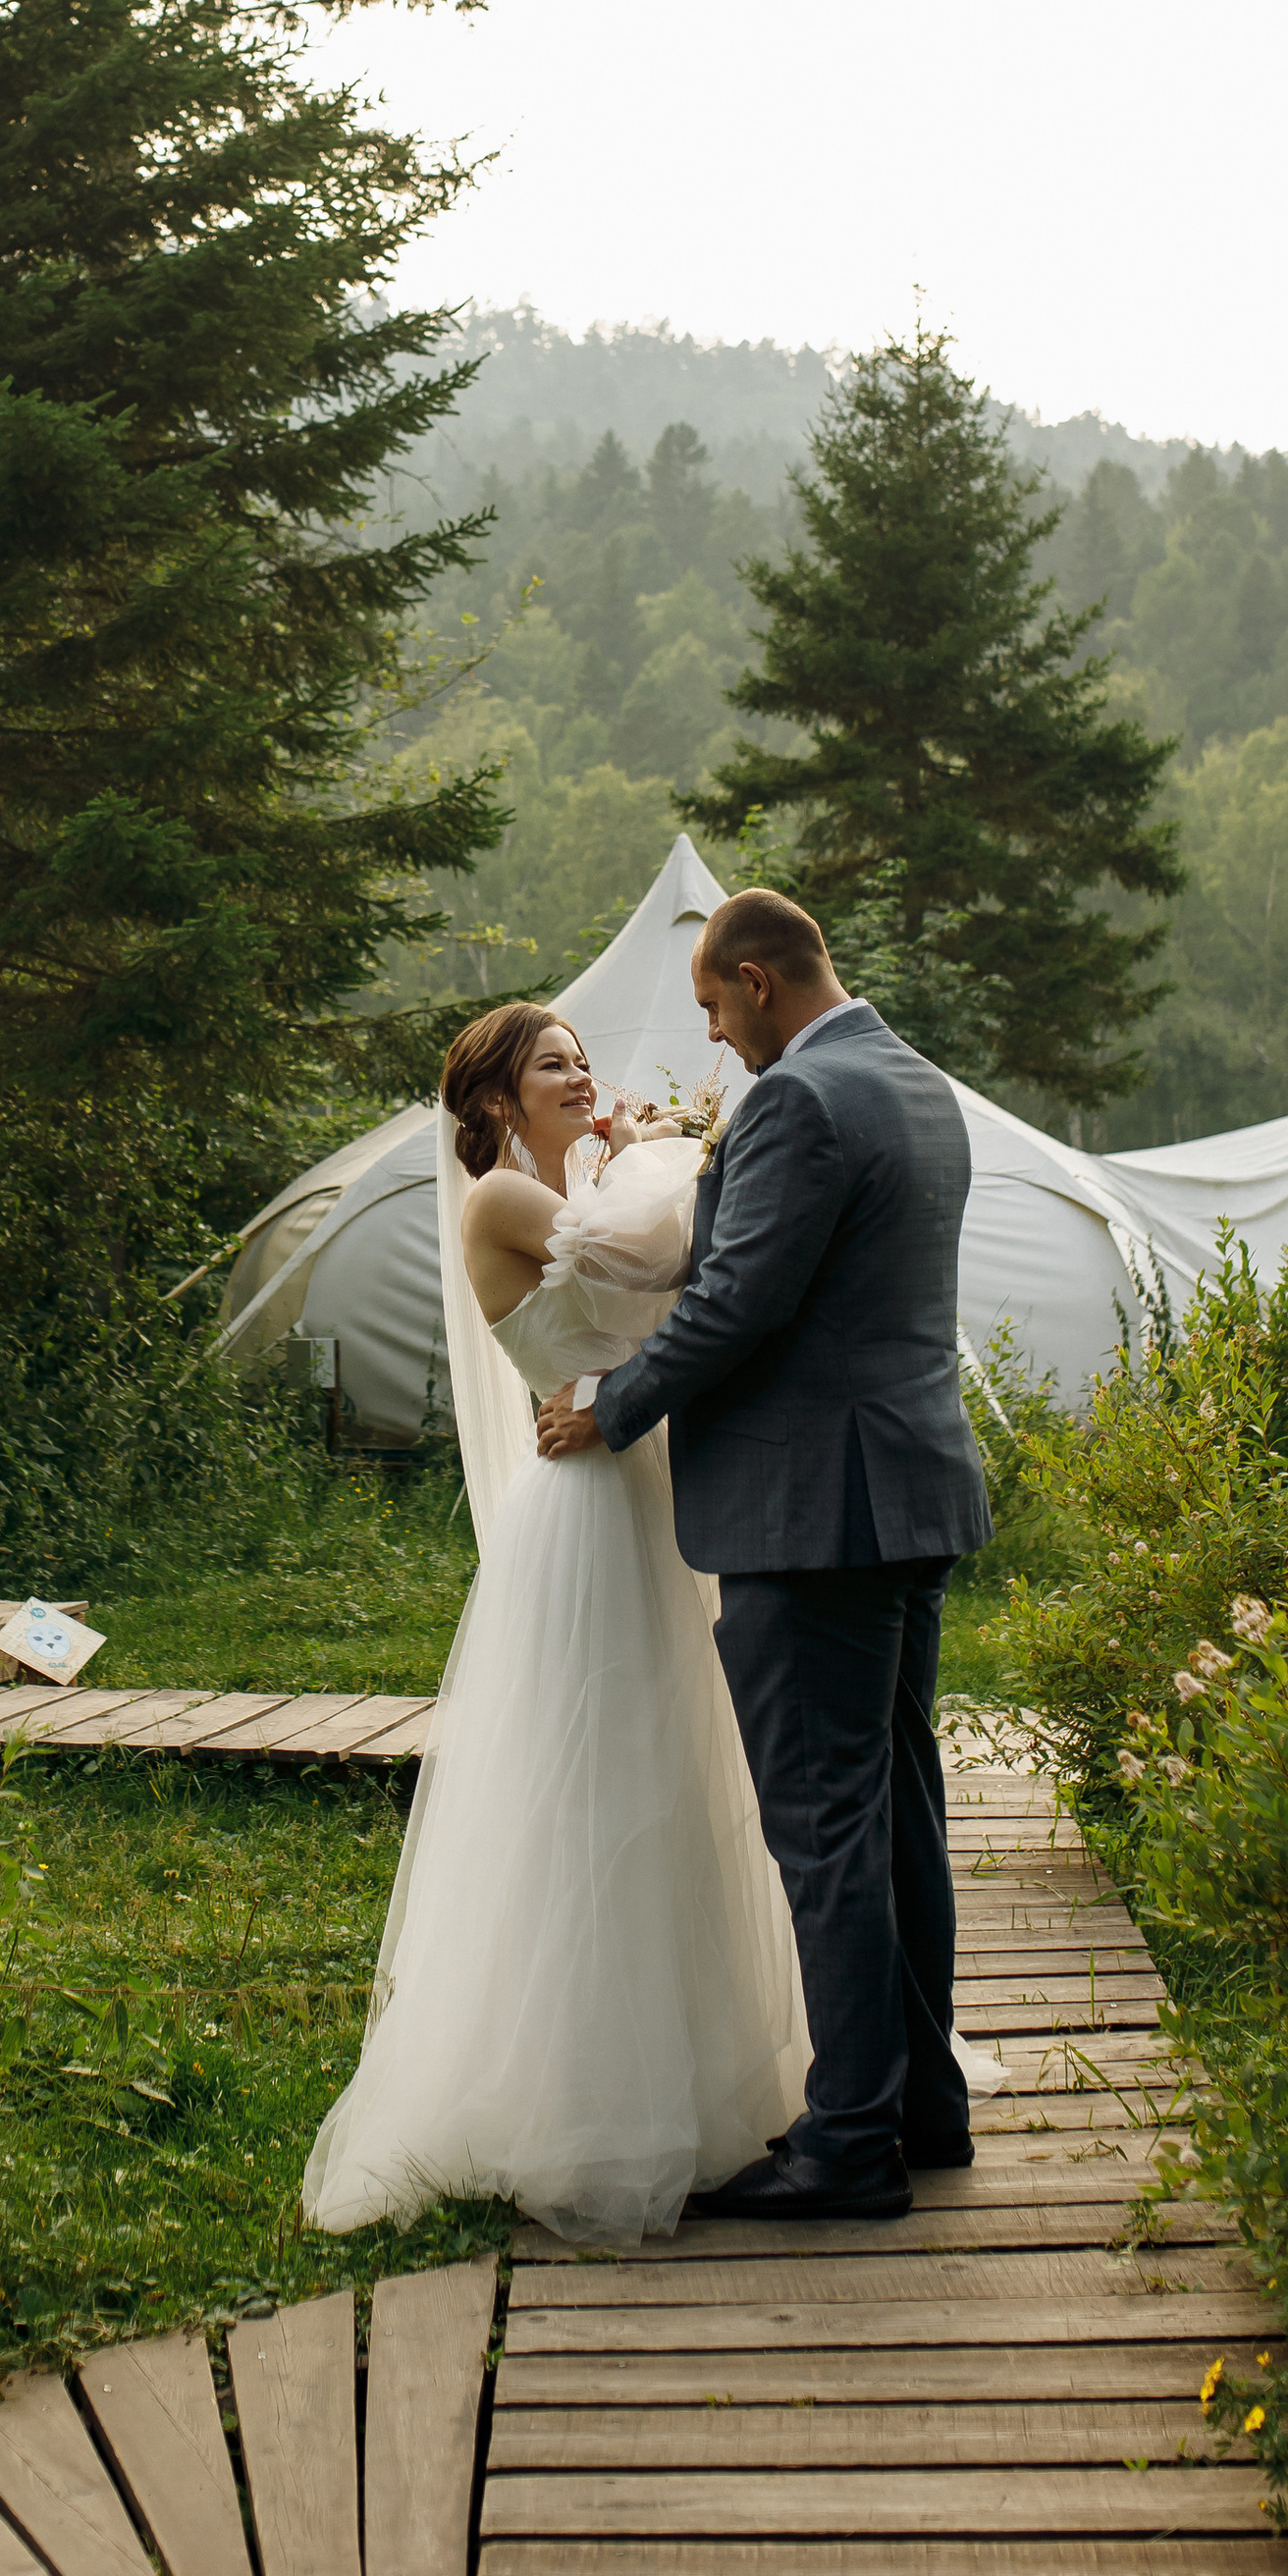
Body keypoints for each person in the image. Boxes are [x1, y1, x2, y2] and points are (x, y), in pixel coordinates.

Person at [301, 1002, 807, 2243]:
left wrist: (647, 1146)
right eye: (553, 1064)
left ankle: (705, 2067)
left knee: (678, 1772)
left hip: (637, 1484)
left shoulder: (580, 1187)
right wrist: (660, 1144)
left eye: (585, 1056)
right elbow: (659, 1252)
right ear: (491, 1106)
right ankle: (589, 2098)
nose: (581, 1074)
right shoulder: (499, 1205)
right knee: (602, 1783)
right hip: (582, 1512)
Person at [535, 886, 993, 2221]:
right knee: (899, 1807)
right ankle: (921, 2107)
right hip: (907, 1496)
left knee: (827, 1823)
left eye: (714, 1011)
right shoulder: (917, 1083)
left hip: (814, 1511)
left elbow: (740, 1296)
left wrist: (609, 1409)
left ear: (756, 980)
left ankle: (849, 2146)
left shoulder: (798, 1099)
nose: (719, 1043)